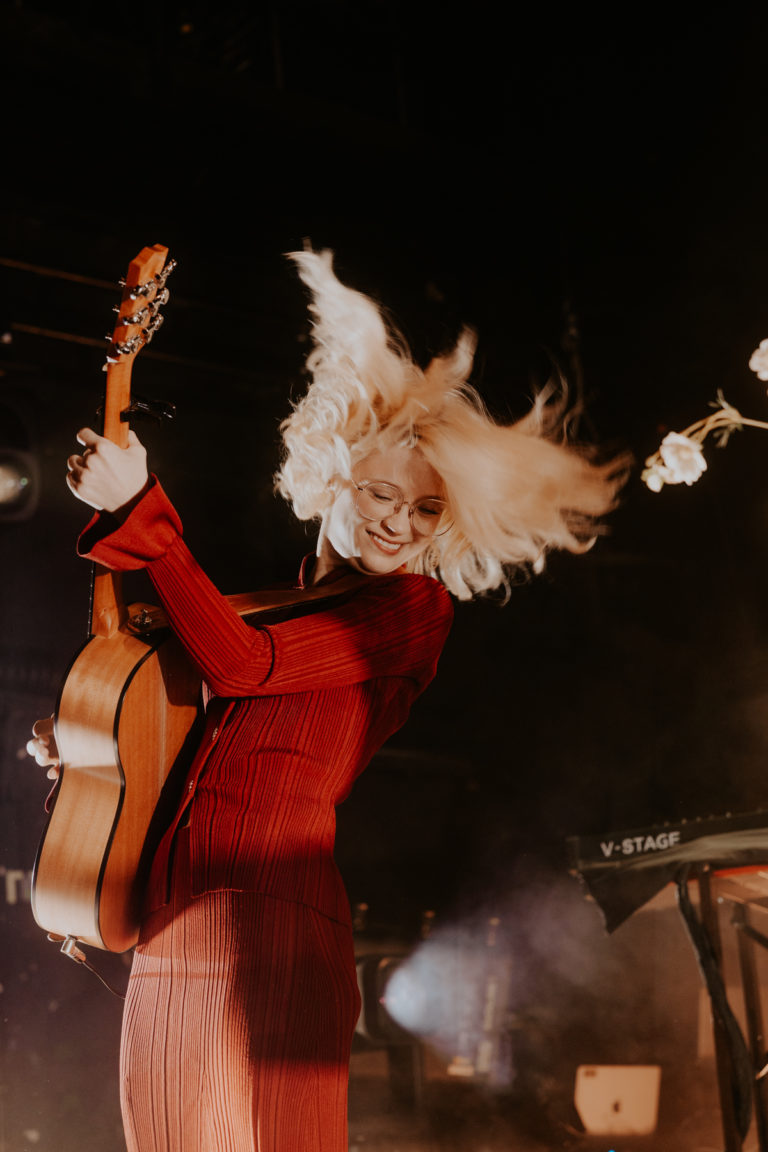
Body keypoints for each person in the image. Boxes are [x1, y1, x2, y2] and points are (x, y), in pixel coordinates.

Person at [28, 249, 626, 1151]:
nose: (396, 521)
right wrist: (88, 740)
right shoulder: (281, 605)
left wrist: (146, 513)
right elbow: (183, 725)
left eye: (425, 512)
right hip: (170, 919)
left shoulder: (411, 610)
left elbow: (244, 669)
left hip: (271, 921)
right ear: (328, 480)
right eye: (380, 492)